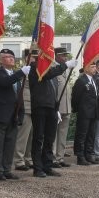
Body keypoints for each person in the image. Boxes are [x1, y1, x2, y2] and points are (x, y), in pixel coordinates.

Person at [28, 50, 77, 178]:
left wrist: (56, 108)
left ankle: (47, 165)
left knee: (50, 138)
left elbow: (54, 90)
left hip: (51, 107)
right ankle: (38, 168)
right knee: (39, 138)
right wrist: (66, 65)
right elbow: (46, 75)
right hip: (39, 106)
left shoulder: (51, 72)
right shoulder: (35, 68)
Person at [0, 49, 31, 180]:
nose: (11, 58)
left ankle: (6, 169)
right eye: (7, 57)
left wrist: (20, 114)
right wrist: (21, 72)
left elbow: (19, 96)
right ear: (0, 60)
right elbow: (5, 82)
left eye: (12, 56)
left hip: (12, 116)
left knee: (9, 145)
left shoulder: (15, 76)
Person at [71, 62, 98, 165]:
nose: (95, 69)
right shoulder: (81, 81)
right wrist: (79, 109)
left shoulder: (93, 80)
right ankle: (80, 156)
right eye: (92, 67)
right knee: (82, 135)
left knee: (91, 134)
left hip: (93, 112)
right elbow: (76, 97)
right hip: (84, 112)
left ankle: (88, 154)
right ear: (86, 68)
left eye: (95, 67)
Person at [14, 49, 37, 171]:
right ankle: (19, 160)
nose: (35, 59)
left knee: (32, 136)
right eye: (32, 57)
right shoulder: (23, 71)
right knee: (23, 136)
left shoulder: (36, 71)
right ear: (26, 58)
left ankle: (28, 159)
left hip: (35, 106)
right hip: (26, 106)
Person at [53, 48, 73, 168]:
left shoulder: (66, 69)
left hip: (66, 106)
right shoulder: (54, 69)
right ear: (56, 56)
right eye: (62, 55)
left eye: (66, 55)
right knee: (53, 135)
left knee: (62, 134)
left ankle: (60, 158)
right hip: (57, 107)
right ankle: (53, 158)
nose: (65, 57)